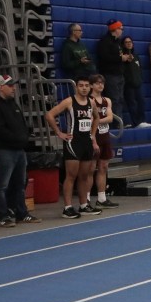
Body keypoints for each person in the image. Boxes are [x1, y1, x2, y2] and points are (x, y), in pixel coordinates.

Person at [0, 75, 42, 227]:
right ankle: (2, 215)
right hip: (3, 150)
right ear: (0, 87)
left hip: (18, 150)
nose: (14, 88)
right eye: (10, 85)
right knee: (2, 185)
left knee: (20, 183)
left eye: (13, 85)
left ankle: (21, 213)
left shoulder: (13, 104)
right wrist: (18, 139)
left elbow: (20, 124)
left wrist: (24, 137)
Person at [45, 76, 101, 218]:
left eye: (86, 85)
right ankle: (67, 207)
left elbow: (97, 118)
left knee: (84, 176)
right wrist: (59, 132)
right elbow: (49, 115)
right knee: (71, 175)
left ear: (90, 87)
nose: (84, 88)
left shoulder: (91, 102)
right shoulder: (69, 101)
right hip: (73, 142)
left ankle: (83, 205)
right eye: (81, 85)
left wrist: (93, 135)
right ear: (76, 87)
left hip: (86, 142)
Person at [89, 74, 120, 209]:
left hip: (105, 136)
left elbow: (110, 118)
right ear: (91, 85)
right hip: (93, 136)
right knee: (90, 169)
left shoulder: (106, 100)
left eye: (102, 83)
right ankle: (86, 199)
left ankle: (102, 198)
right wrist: (98, 121)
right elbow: (90, 120)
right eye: (97, 83)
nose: (100, 85)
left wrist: (97, 120)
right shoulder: (88, 100)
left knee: (103, 167)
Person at [96, 19, 125, 112]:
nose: (122, 31)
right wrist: (120, 58)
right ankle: (115, 120)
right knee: (114, 99)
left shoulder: (118, 42)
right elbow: (105, 57)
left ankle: (119, 119)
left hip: (119, 73)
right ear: (115, 29)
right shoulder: (105, 41)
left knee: (120, 99)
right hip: (110, 74)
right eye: (121, 29)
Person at [121, 35, 150, 128]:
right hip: (128, 84)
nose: (129, 44)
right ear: (123, 44)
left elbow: (140, 69)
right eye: (126, 42)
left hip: (138, 83)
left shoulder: (136, 56)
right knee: (132, 103)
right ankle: (136, 122)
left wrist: (140, 79)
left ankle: (142, 120)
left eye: (130, 42)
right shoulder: (122, 57)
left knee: (141, 102)